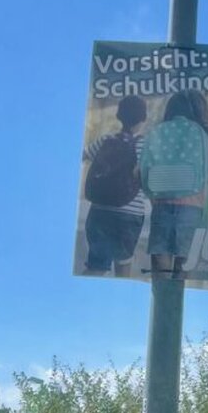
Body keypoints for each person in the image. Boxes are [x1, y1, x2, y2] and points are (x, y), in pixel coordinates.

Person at [140, 90, 208, 278]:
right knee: (184, 267)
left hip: (161, 206)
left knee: (160, 267)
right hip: (192, 209)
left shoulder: (160, 132)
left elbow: (143, 170)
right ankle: (176, 298)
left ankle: (162, 299)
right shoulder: (205, 136)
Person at [82, 95, 148, 278]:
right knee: (123, 269)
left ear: (119, 115)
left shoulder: (106, 140)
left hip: (100, 210)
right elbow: (146, 176)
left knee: (96, 267)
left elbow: (82, 155)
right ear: (144, 118)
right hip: (129, 214)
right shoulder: (144, 145)